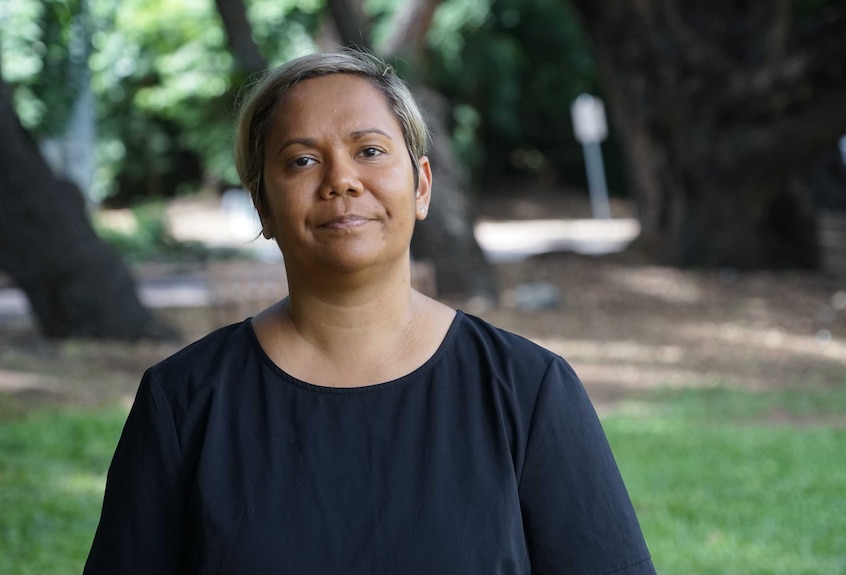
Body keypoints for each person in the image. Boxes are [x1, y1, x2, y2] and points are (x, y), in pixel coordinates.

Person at [84, 49, 656, 575]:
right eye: (302, 160)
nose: (342, 181)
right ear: (262, 204)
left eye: (370, 151)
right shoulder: (183, 402)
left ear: (422, 186)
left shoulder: (528, 390)